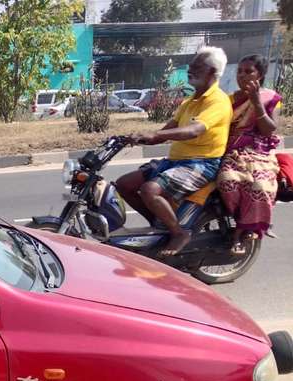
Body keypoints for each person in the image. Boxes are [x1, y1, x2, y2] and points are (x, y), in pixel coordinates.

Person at [115, 46, 233, 256]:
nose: (191, 69)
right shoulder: (189, 102)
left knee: (150, 190)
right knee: (125, 184)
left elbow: (193, 130)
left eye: (198, 66)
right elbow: (167, 130)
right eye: (191, 64)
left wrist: (158, 136)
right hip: (176, 161)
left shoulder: (219, 101)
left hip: (201, 163)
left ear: (213, 73)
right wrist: (138, 136)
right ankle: (160, 225)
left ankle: (179, 233)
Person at [217, 54, 282, 254]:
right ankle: (243, 220)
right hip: (233, 150)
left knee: (261, 185)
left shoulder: (271, 98)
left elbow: (269, 130)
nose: (242, 76)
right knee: (228, 181)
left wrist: (256, 103)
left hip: (259, 151)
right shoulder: (229, 99)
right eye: (239, 71)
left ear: (260, 75)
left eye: (248, 71)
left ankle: (244, 231)